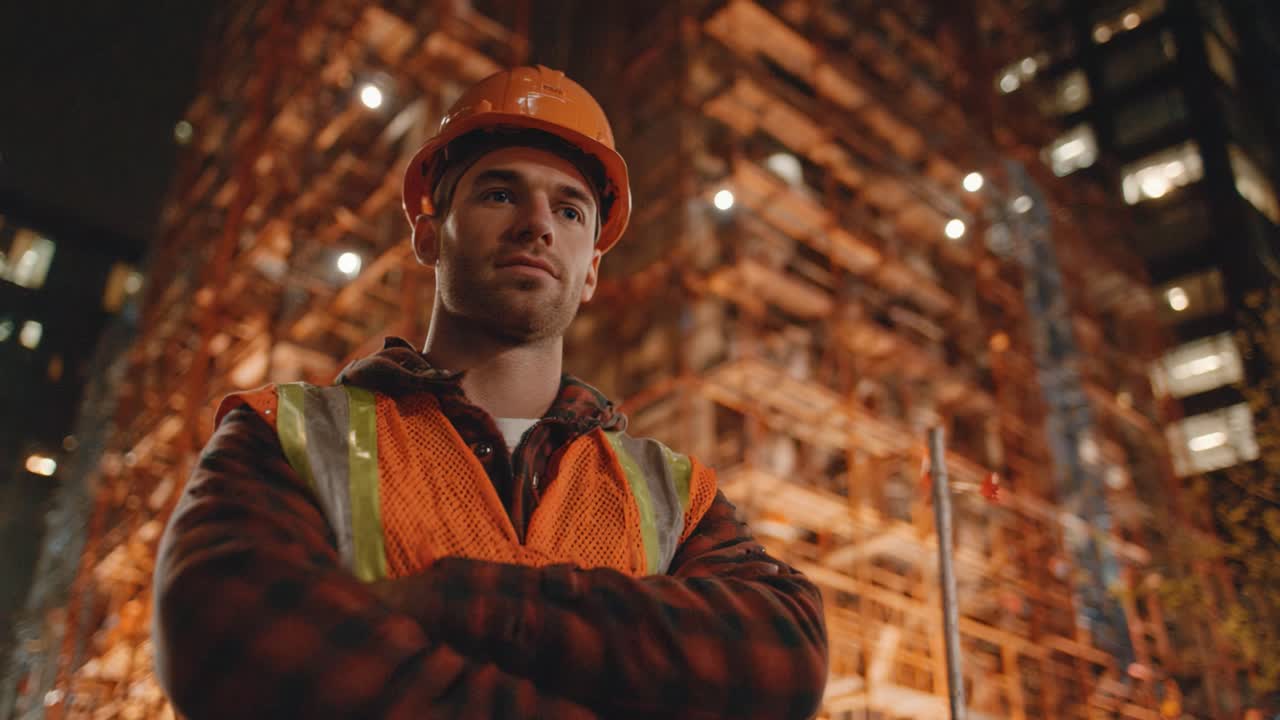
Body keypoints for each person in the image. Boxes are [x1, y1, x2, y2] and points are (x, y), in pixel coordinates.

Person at [152, 64, 828, 719]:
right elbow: (226, 642)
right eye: (500, 194)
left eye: (569, 210)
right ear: (427, 233)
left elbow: (786, 655)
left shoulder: (671, 491)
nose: (538, 224)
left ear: (591, 268)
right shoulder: (287, 434)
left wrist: (458, 601)